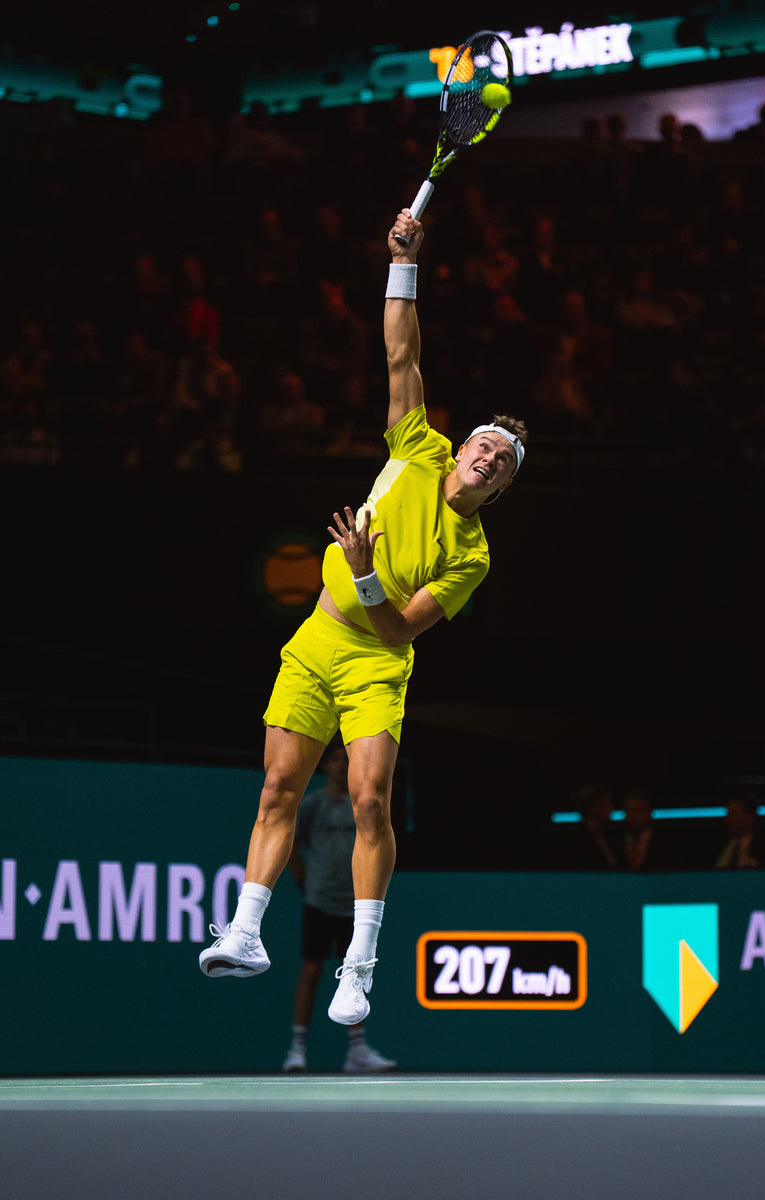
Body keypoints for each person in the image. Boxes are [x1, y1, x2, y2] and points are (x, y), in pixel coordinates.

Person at [199, 206, 527, 1029]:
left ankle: (361, 964)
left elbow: (400, 632)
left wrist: (365, 573)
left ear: (501, 487)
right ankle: (244, 933)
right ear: (463, 449)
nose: (486, 456)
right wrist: (402, 263)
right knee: (279, 787)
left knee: (371, 799)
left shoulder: (473, 553)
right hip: (315, 642)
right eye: (485, 443)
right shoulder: (418, 446)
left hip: (376, 662)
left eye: (503, 461)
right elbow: (401, 348)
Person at [281, 739, 397, 1073]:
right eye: (334, 759)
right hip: (319, 901)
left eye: (345, 758)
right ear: (325, 765)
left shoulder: (364, 802)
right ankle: (297, 1050)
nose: (341, 764)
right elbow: (290, 841)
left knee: (355, 977)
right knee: (311, 973)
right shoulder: (313, 805)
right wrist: (303, 879)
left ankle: (357, 1052)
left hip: (356, 906)